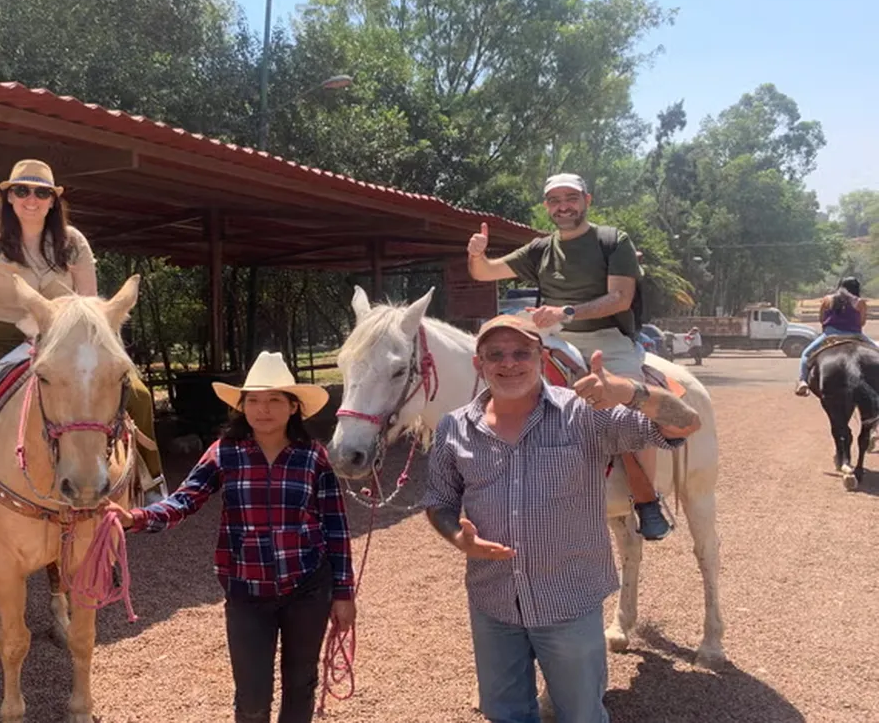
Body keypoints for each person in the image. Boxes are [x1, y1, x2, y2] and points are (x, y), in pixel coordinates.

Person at [422, 315, 701, 723]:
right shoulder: (453, 428)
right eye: (495, 354)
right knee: (503, 713)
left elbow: (686, 424)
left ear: (541, 357)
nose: (509, 363)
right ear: (479, 364)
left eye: (522, 353)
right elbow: (439, 500)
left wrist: (630, 391)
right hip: (493, 603)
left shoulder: (584, 414)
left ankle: (646, 502)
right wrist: (455, 536)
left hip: (569, 602)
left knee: (581, 715)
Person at [0, 159, 165, 562]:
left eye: (41, 192)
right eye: (22, 190)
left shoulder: (73, 242)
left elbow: (89, 307)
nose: (32, 199)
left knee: (138, 394)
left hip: (63, 339)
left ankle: (151, 484)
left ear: (53, 200)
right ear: (8, 197)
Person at [102, 351, 356, 723]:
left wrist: (344, 593)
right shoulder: (225, 453)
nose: (262, 409)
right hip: (246, 591)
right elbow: (185, 500)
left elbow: (336, 526)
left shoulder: (312, 457)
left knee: (301, 683)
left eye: (274, 400)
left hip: (308, 588)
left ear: (293, 407)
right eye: (253, 400)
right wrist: (136, 518)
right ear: (242, 407)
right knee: (251, 699)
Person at [465, 172, 671, 540]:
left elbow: (620, 298)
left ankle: (646, 500)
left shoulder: (613, 241)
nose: (563, 206)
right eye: (555, 200)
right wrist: (477, 254)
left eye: (571, 198)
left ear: (586, 201)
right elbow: (485, 272)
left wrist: (567, 312)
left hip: (607, 340)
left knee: (631, 409)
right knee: (502, 390)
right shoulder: (539, 249)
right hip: (550, 339)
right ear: (547, 206)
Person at [796, 276, 875, 396]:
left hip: (830, 334)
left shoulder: (827, 299)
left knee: (806, 354)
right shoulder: (860, 302)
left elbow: (822, 319)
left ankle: (803, 381)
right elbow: (862, 322)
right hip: (855, 335)